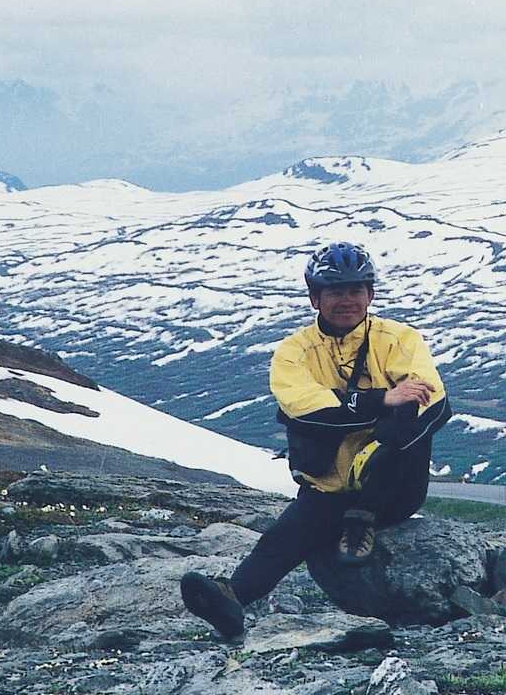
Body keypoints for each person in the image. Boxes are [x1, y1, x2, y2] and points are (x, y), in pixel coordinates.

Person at [180, 241, 452, 639]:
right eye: (335, 291)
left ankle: (365, 517)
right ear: (315, 298)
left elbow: (431, 397)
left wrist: (378, 434)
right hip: (330, 485)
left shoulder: (399, 339)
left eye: (356, 290)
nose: (347, 300)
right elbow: (308, 408)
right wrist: (381, 399)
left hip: (394, 487)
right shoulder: (294, 352)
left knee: (415, 412)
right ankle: (232, 599)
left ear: (370, 295)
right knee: (286, 536)